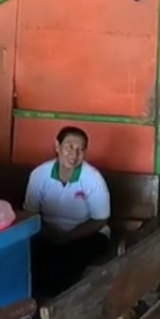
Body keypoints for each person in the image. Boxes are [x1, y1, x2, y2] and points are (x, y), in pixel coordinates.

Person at [25, 126, 112, 298]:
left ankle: (59, 306)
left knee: (69, 258)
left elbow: (100, 219)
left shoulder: (92, 178)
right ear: (57, 146)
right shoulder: (39, 175)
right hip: (47, 231)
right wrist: (51, 234)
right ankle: (36, 305)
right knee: (32, 255)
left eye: (80, 150)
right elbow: (30, 214)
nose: (74, 154)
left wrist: (69, 237)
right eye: (69, 147)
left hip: (86, 233)